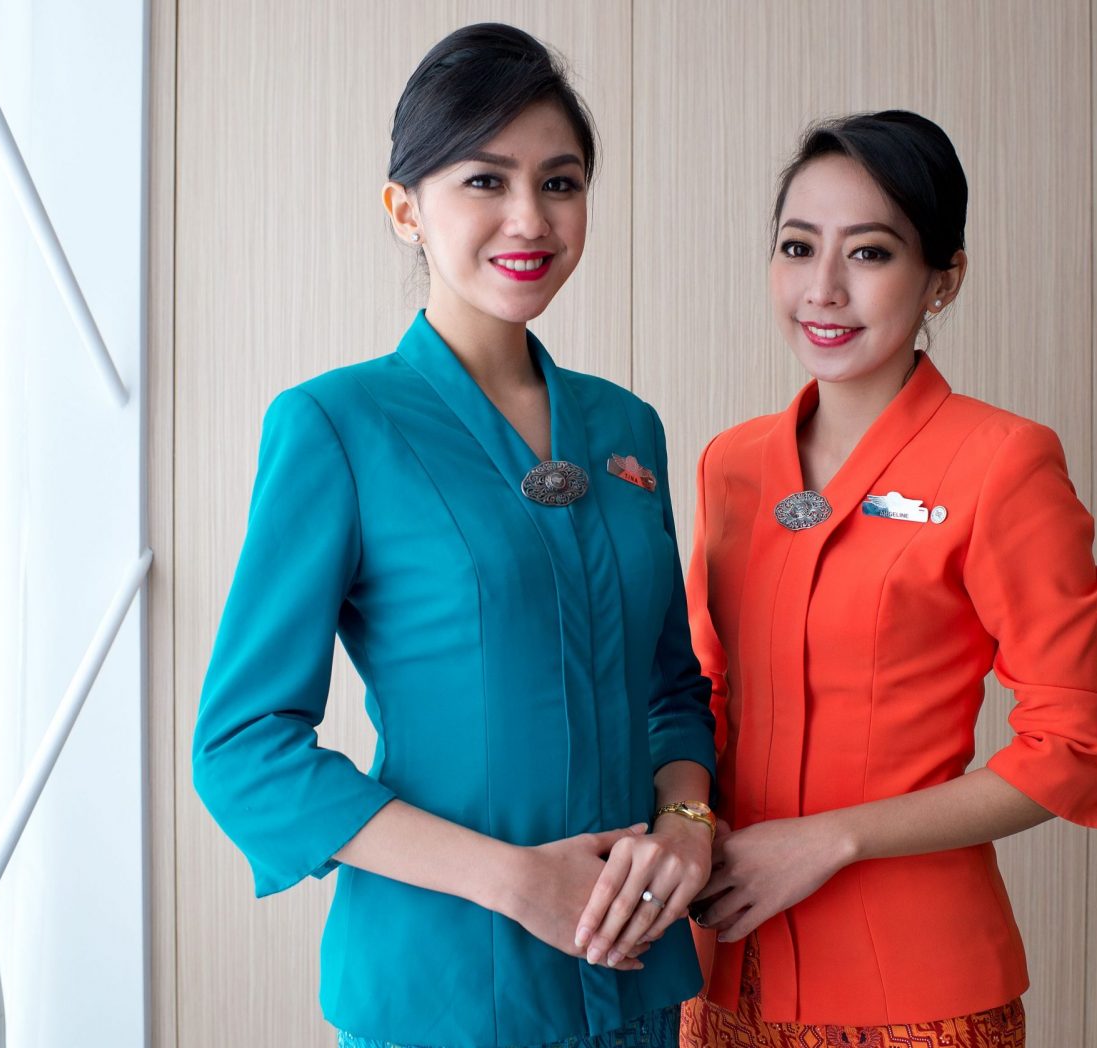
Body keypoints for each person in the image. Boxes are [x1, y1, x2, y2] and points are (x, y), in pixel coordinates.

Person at [191, 23, 716, 1048]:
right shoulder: (337, 426)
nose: (530, 218)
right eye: (485, 180)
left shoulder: (627, 428)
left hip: (636, 980)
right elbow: (242, 748)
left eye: (560, 183)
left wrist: (687, 826)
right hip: (443, 992)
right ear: (405, 210)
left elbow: (669, 691)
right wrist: (516, 882)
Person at [678, 111, 1097, 1047]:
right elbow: (698, 692)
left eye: (870, 253)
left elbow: (1070, 748)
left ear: (942, 279)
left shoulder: (1002, 461)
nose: (824, 288)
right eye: (798, 247)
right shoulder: (732, 464)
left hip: (919, 993)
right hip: (719, 968)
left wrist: (831, 840)